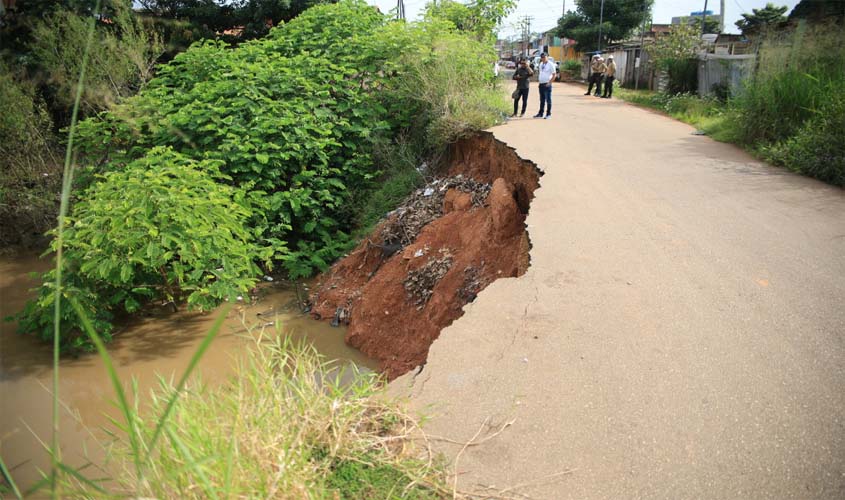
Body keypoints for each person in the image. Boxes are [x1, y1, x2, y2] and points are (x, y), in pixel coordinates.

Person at [533, 52, 558, 119]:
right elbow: (541, 73)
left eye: (544, 57)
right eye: (542, 57)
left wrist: (549, 83)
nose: (543, 58)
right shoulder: (541, 64)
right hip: (541, 84)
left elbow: (554, 75)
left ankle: (548, 114)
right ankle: (540, 113)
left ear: (547, 57)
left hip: (547, 84)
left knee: (548, 100)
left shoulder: (551, 64)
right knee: (542, 100)